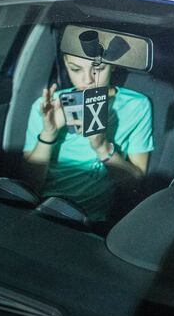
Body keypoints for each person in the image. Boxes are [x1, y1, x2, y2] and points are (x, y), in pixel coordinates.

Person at [23, 52, 154, 223]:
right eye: (76, 69)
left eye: (98, 68)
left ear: (113, 64)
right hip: (41, 209)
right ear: (65, 64)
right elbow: (29, 185)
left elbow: (134, 186)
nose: (87, 80)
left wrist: (102, 147)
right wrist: (49, 133)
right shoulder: (48, 106)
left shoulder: (136, 106)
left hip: (89, 220)